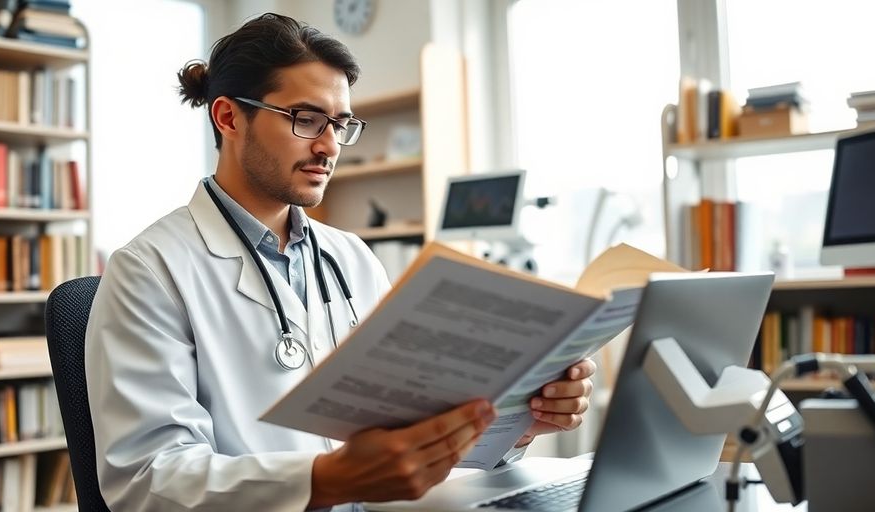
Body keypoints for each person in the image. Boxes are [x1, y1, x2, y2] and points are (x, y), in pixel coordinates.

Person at [84, 12, 596, 511]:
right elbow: (149, 480)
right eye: (306, 120)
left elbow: (406, 435)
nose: (330, 146)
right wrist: (325, 480)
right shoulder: (149, 271)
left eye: (341, 124)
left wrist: (516, 423)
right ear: (228, 116)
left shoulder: (351, 259)